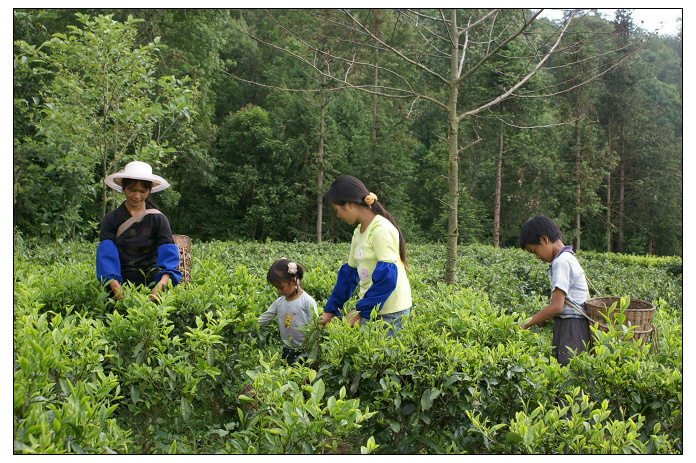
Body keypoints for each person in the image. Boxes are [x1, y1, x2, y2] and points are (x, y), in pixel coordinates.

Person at [318, 175, 412, 337]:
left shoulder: (381, 229)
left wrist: (360, 311)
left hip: (390, 311)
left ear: (350, 204)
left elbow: (387, 279)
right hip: (372, 308)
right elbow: (348, 276)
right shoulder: (359, 232)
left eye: (337, 210)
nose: (338, 215)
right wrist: (330, 310)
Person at [96, 161, 182, 300]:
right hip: (118, 284)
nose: (137, 196)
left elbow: (169, 256)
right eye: (132, 190)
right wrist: (116, 289)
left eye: (142, 191)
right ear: (123, 188)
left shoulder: (158, 219)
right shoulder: (111, 219)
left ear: (149, 191)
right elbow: (106, 257)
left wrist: (160, 286)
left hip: (152, 284)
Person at [519, 215, 590, 366]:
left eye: (535, 251)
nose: (537, 257)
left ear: (545, 239)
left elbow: (557, 306)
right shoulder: (567, 258)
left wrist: (525, 323)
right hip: (571, 326)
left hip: (572, 328)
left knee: (571, 375)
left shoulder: (561, 261)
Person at [258, 258, 319, 364]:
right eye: (276, 288)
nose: (278, 291)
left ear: (293, 280)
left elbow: (317, 328)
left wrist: (315, 355)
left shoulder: (307, 301)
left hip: (305, 353)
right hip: (287, 352)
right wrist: (245, 326)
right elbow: (263, 319)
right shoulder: (279, 302)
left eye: (281, 287)